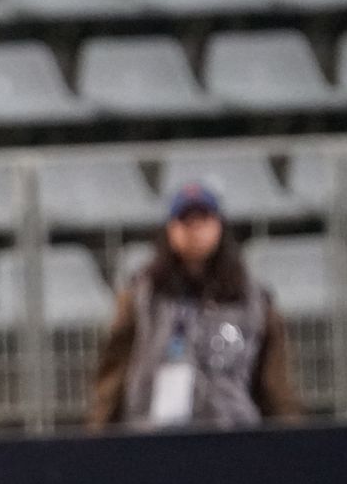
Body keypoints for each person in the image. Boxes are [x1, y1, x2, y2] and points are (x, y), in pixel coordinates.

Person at [89, 183, 302, 429]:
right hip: (153, 432)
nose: (195, 230)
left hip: (232, 432)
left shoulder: (252, 300)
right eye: (186, 221)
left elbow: (274, 381)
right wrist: (99, 430)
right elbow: (114, 373)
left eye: (203, 220)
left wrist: (292, 435)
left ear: (219, 226)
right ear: (170, 229)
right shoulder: (141, 297)